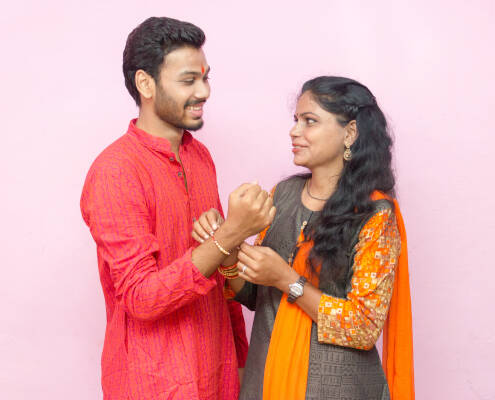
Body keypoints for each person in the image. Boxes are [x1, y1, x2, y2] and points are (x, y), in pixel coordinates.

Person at [80, 17, 275, 400]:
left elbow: (221, 278)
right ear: (145, 84)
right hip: (152, 383)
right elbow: (142, 298)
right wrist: (231, 232)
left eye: (206, 77)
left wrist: (241, 363)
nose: (204, 91)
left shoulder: (199, 156)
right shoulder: (116, 171)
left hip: (217, 376)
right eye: (188, 80)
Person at [193, 76, 415, 399]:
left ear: (350, 133)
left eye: (309, 121)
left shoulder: (375, 214)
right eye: (296, 120)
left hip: (336, 389)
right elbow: (256, 296)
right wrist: (225, 244)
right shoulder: (283, 194)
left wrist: (287, 279)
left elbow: (363, 327)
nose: (294, 131)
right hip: (267, 382)